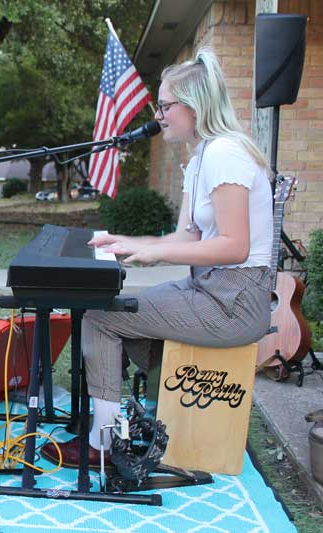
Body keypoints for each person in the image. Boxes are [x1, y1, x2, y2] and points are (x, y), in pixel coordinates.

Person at [41, 48, 273, 469]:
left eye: (165, 105)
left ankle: (106, 444)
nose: (159, 115)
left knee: (100, 317)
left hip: (235, 300)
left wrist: (153, 252)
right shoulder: (202, 156)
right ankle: (137, 424)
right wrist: (126, 242)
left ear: (193, 106)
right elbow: (188, 235)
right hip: (209, 287)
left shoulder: (226, 154)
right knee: (117, 312)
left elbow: (236, 246)